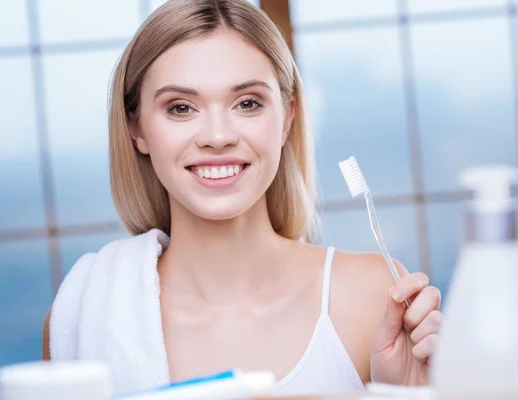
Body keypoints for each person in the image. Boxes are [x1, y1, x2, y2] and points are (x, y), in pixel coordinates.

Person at [41, 0, 443, 396]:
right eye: (180, 108)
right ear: (137, 128)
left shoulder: (371, 298)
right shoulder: (83, 317)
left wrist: (411, 393)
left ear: (287, 117)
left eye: (247, 103)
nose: (217, 136)